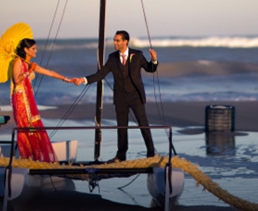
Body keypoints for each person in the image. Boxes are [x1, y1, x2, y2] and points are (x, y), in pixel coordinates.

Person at [77, 30, 158, 162]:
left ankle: (151, 154)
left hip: (136, 96)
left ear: (125, 42)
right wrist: (83, 80)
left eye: (117, 40)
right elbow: (100, 74)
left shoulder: (137, 55)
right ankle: (121, 155)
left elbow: (151, 69)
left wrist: (154, 60)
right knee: (121, 127)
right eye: (114, 40)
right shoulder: (112, 57)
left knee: (143, 124)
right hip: (120, 97)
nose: (114, 42)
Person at [11, 38, 82, 162]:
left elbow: (50, 73)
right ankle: (26, 156)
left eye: (35, 48)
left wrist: (67, 79)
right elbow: (16, 80)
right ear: (26, 50)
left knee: (34, 124)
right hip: (21, 100)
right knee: (26, 126)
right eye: (33, 49)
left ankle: (35, 157)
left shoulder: (31, 64)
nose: (36, 51)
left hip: (29, 98)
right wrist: (30, 71)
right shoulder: (18, 62)